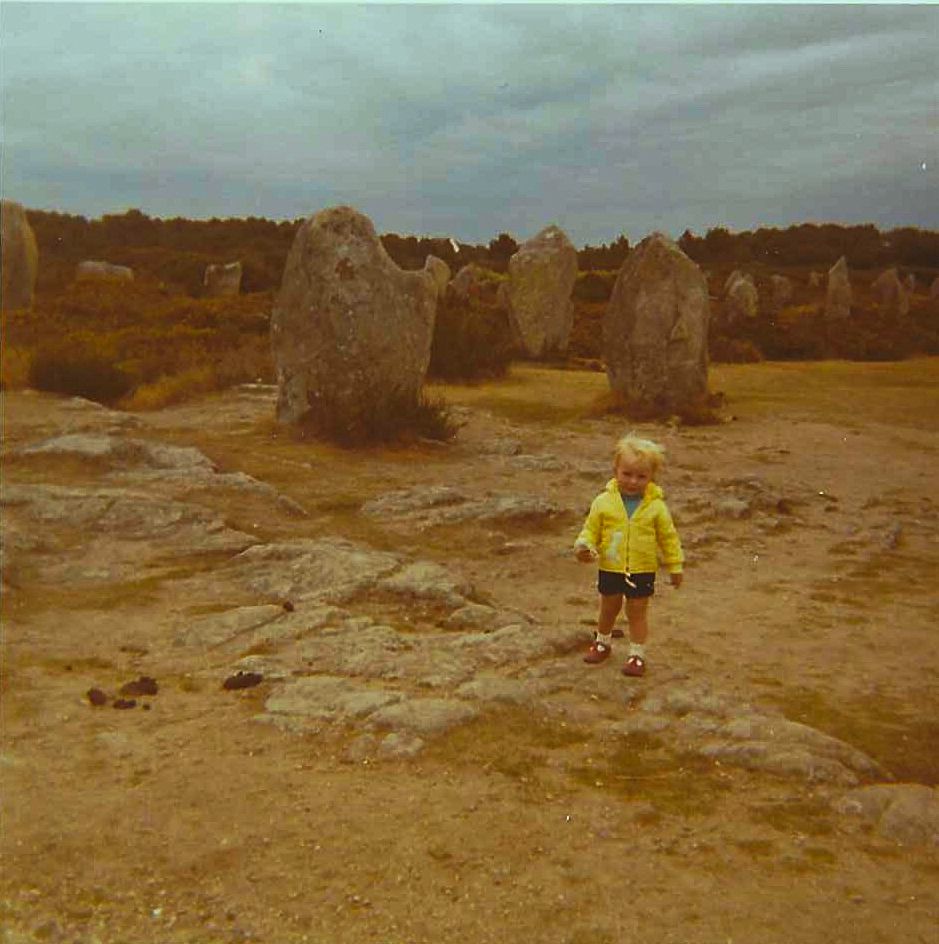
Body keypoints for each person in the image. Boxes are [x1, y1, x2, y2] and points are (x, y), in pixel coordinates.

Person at [573, 433, 684, 677]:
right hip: (611, 566)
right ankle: (602, 641)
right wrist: (583, 545)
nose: (633, 481)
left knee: (637, 610)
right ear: (616, 470)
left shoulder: (656, 507)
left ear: (651, 477)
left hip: (642, 568)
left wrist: (675, 566)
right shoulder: (603, 502)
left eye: (641, 476)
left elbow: (669, 538)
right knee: (608, 607)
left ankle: (637, 654)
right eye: (627, 474)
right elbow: (591, 529)